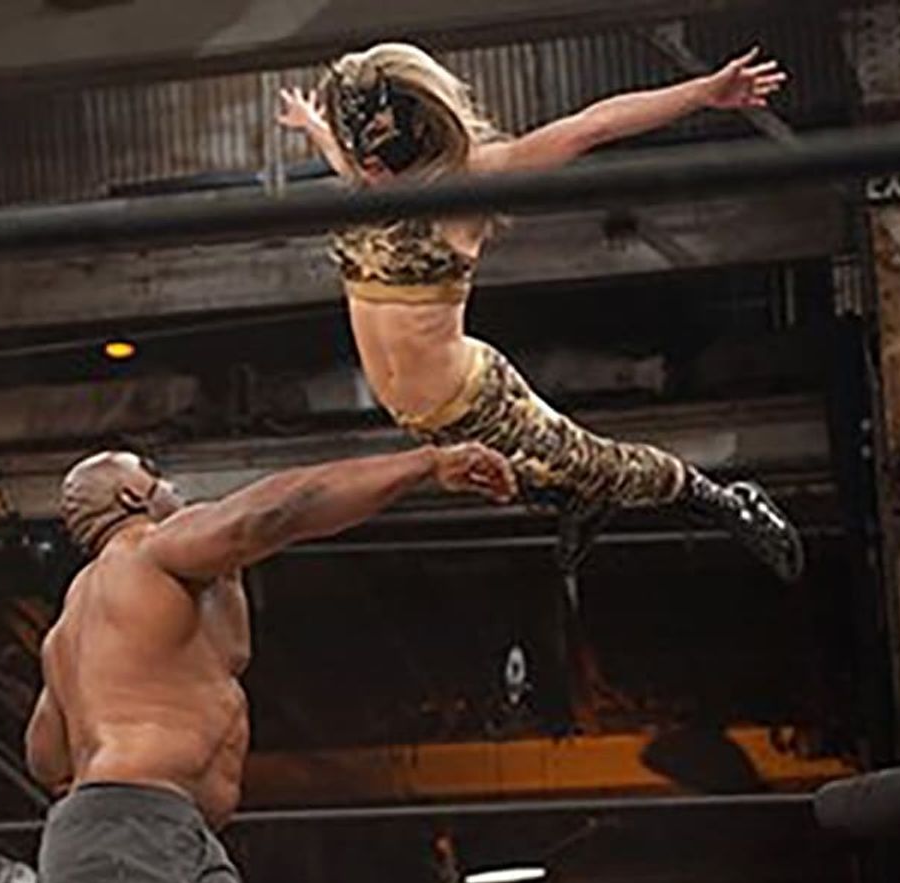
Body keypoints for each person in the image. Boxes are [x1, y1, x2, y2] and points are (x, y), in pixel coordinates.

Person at [28, 442, 515, 883]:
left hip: (84, 842)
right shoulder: (153, 548)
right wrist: (427, 465)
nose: (174, 489)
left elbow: (46, 759)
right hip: (142, 830)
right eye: (159, 476)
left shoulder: (67, 631)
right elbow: (279, 511)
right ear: (132, 496)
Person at [276, 42, 802, 580]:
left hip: (470, 397)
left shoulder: (467, 182)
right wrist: (312, 124)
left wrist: (703, 92)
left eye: (381, 158)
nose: (370, 171)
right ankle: (578, 503)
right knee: (515, 482)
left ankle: (724, 499)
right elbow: (346, 156)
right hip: (421, 415)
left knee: (597, 465)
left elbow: (590, 127)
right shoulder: (364, 181)